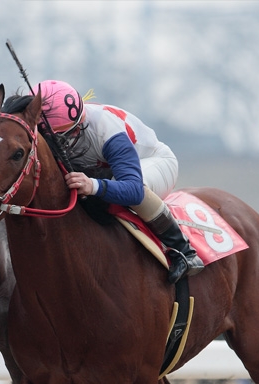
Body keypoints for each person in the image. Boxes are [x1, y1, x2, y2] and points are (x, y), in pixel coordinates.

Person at [33, 80, 203, 283]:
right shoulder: (48, 128)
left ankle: (184, 251)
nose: (75, 134)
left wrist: (93, 185)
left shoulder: (105, 128)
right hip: (106, 172)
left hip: (153, 163)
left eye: (75, 129)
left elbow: (133, 190)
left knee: (118, 191)